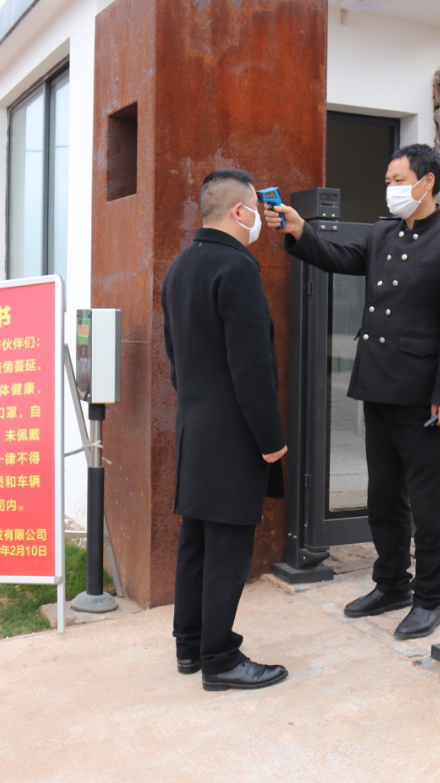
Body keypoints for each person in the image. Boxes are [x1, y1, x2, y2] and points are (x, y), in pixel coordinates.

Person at [263, 144, 440, 640]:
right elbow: (338, 257)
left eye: (399, 180)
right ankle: (391, 583)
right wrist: (300, 230)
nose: (390, 188)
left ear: (427, 182)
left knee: (429, 502)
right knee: (383, 496)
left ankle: (431, 597)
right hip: (378, 383)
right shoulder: (382, 233)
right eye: (388, 181)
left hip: (422, 395)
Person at [162, 168, 289, 692]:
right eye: (256, 208)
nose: (260, 218)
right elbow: (252, 368)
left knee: (196, 543)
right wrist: (271, 440)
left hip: (195, 428)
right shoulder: (236, 268)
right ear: (240, 211)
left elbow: (175, 357)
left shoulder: (181, 266)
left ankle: (190, 645)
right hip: (233, 436)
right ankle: (220, 658)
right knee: (227, 552)